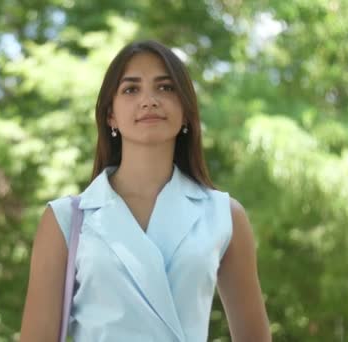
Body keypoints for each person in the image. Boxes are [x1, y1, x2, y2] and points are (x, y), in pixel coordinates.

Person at [20, 40, 271, 341]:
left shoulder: (224, 215)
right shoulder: (65, 219)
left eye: (165, 88)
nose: (149, 100)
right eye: (131, 89)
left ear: (187, 111)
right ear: (110, 114)